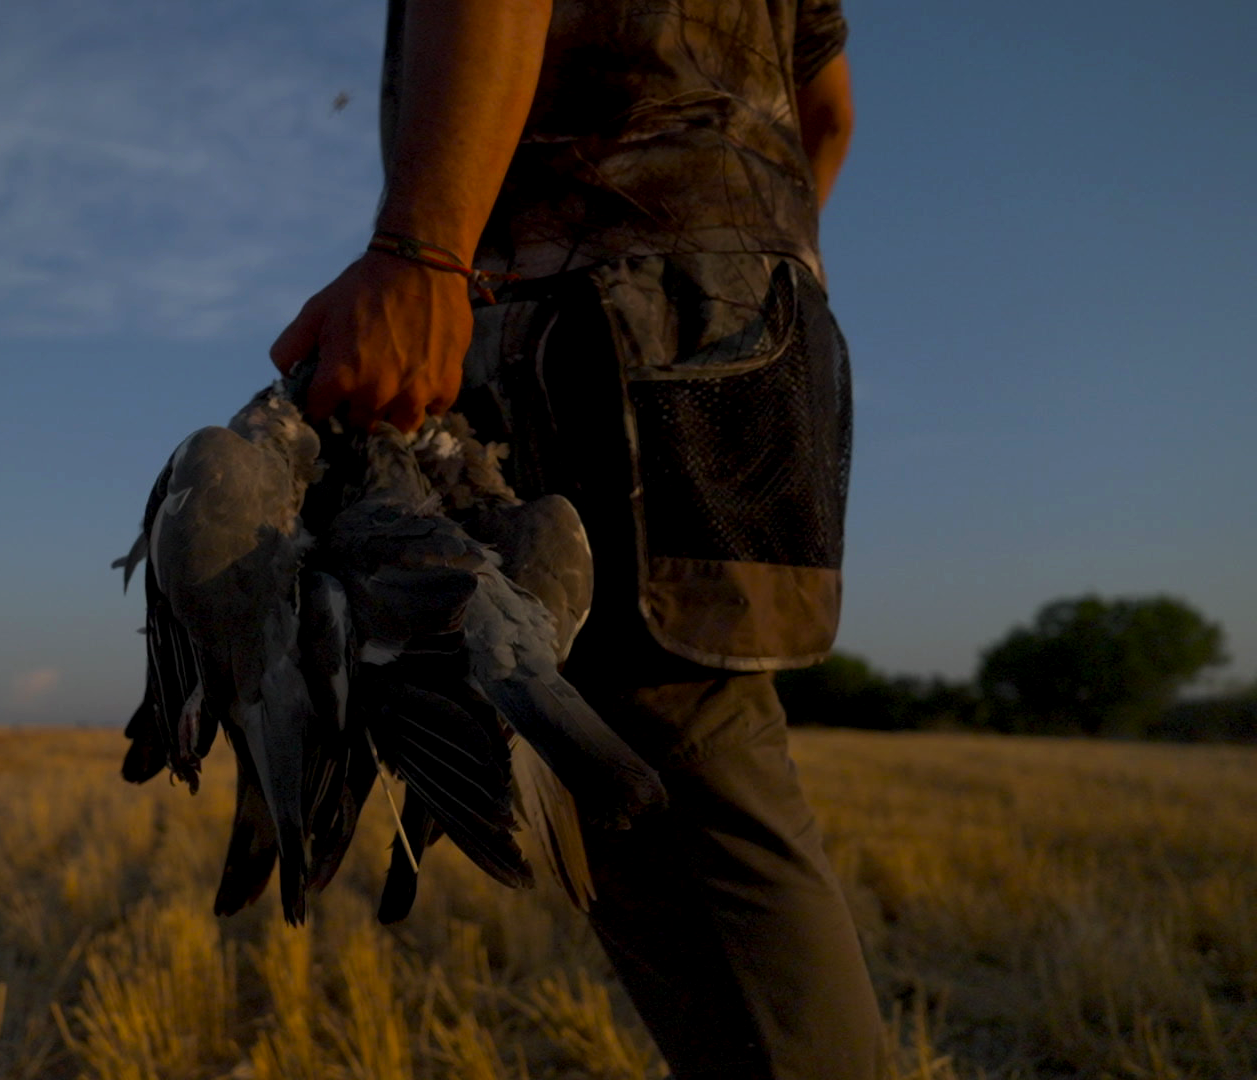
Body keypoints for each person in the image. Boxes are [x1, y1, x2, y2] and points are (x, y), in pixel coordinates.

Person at [270, 1, 882, 1077]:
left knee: (665, 761)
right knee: (699, 741)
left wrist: (422, 252)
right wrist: (739, 262)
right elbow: (828, 113)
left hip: (598, 326)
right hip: (760, 322)